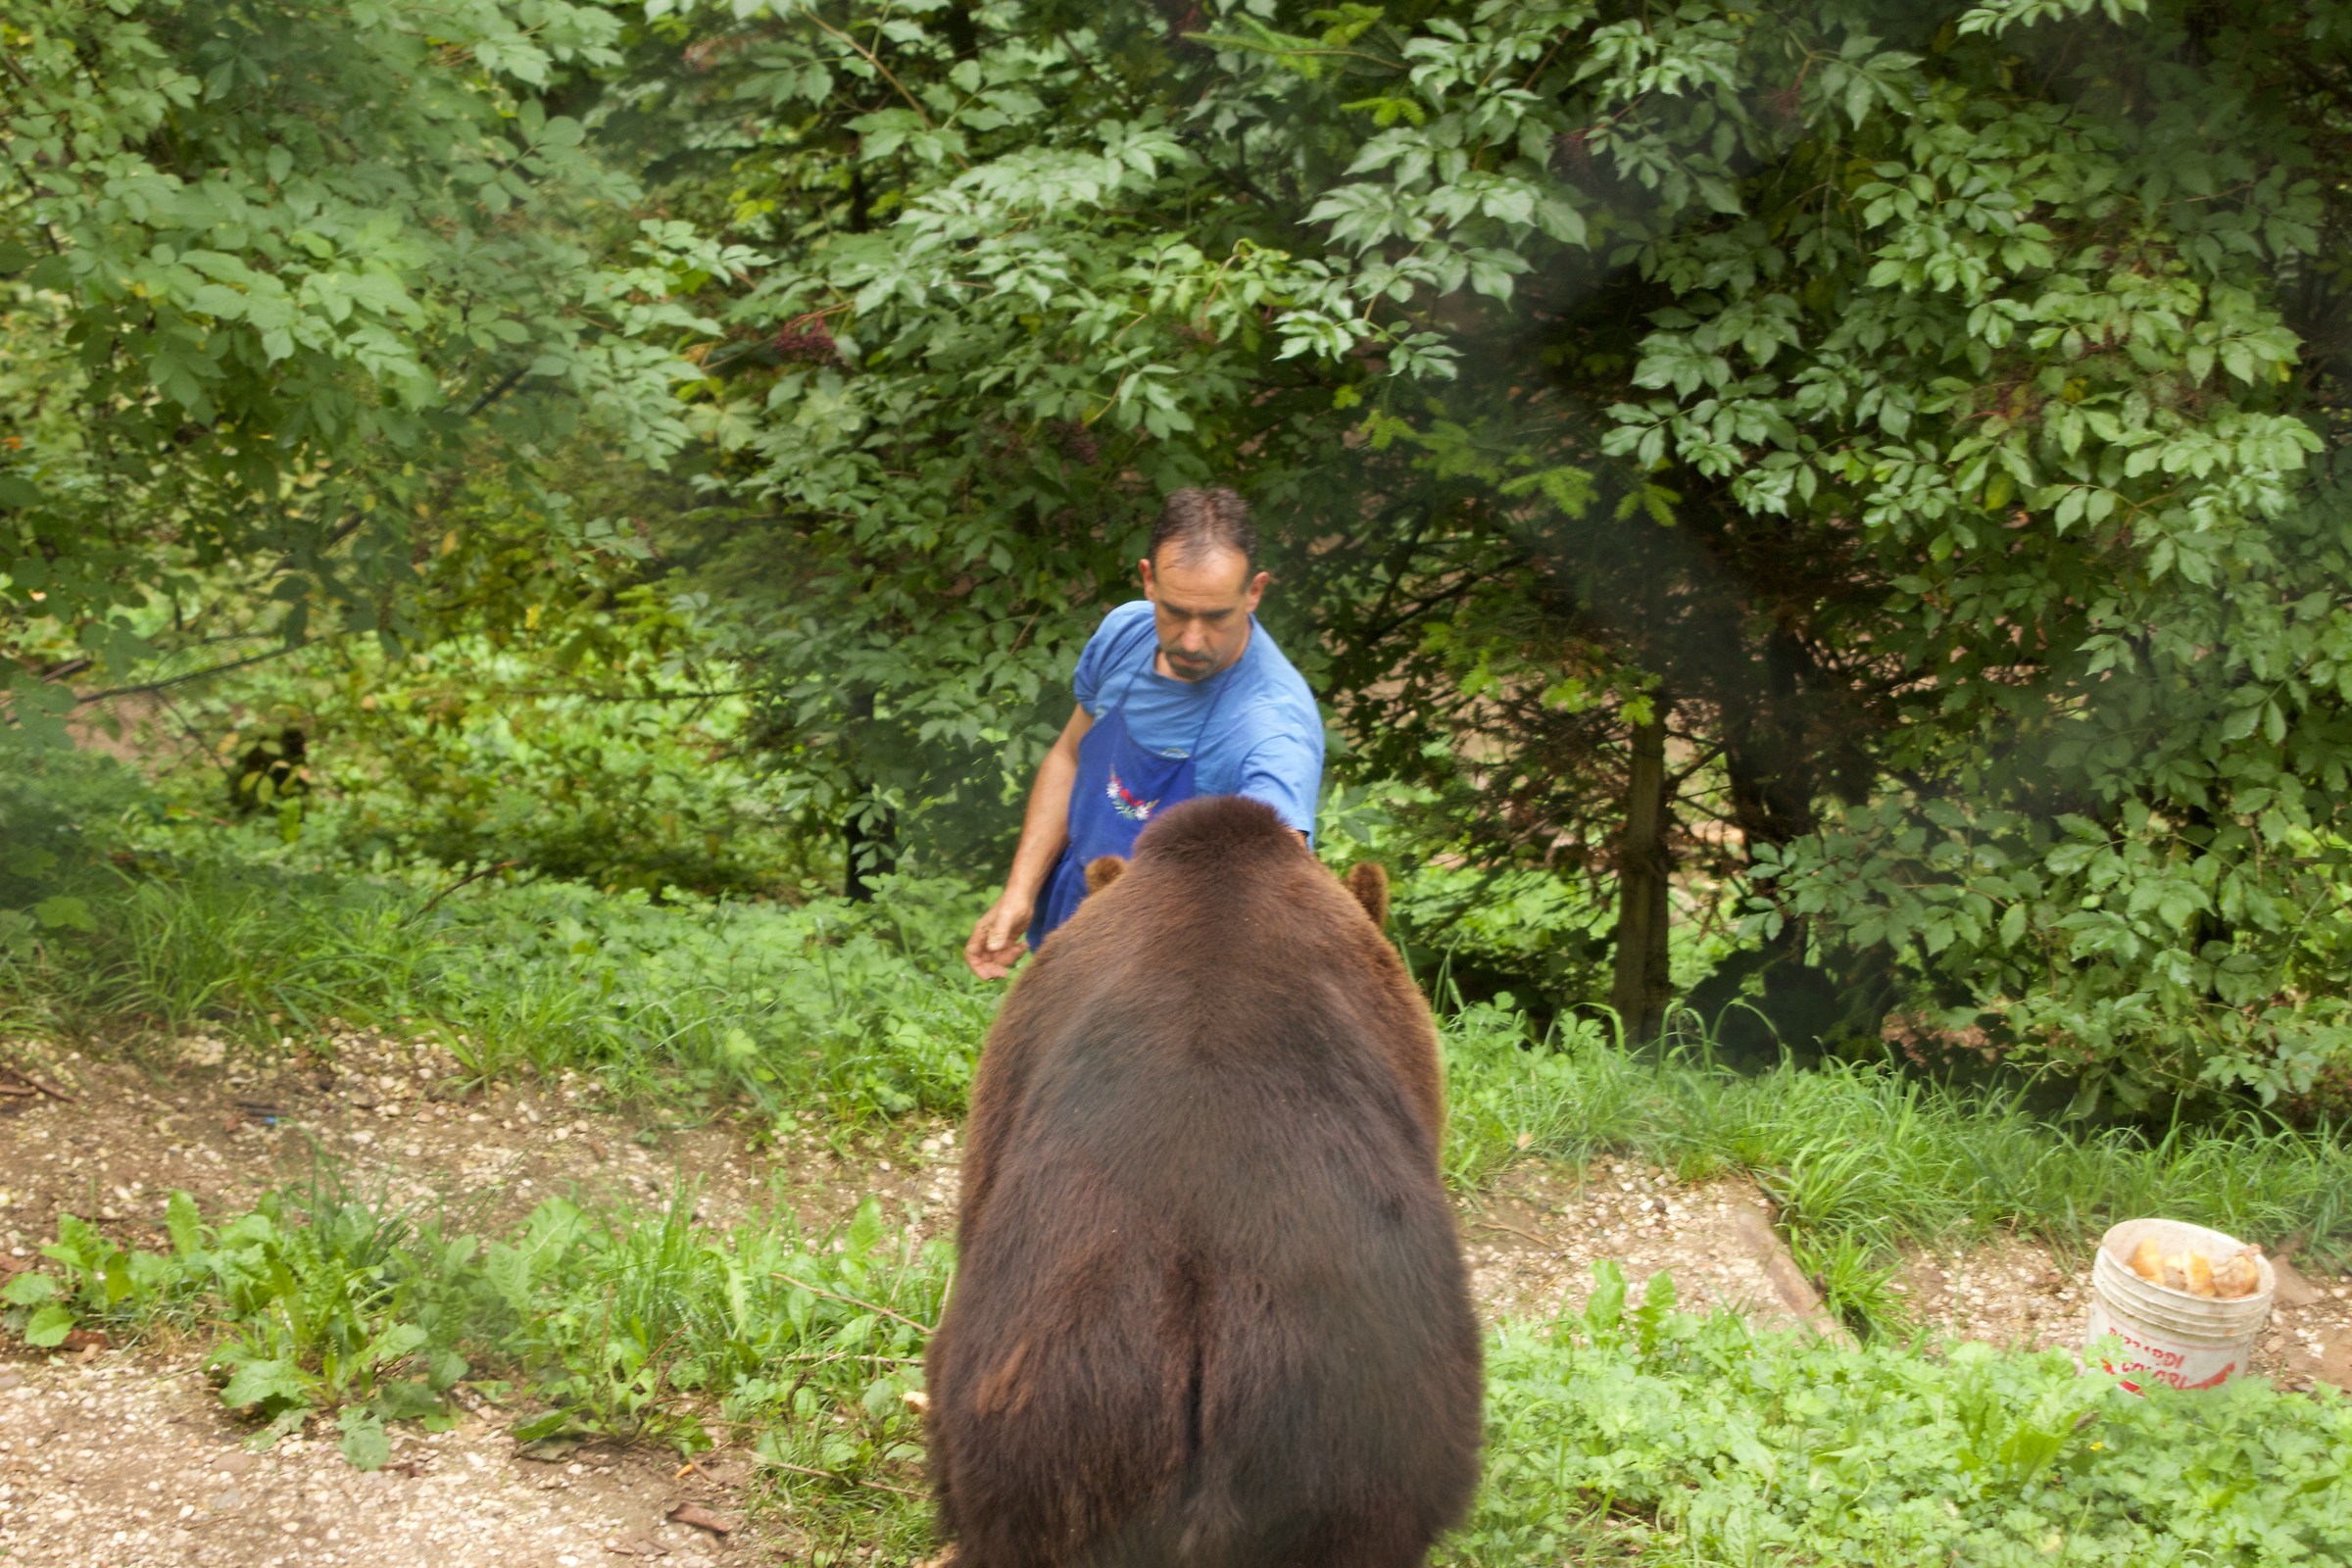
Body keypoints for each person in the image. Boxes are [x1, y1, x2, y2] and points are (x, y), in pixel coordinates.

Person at [962, 487, 1325, 979]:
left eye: (1216, 617)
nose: (1192, 640)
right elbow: (1070, 756)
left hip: (1174, 971)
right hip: (1076, 912)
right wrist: (1021, 891)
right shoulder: (1123, 635)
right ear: (1149, 581)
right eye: (1176, 613)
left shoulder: (1271, 728)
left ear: (1254, 592)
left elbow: (1275, 894)